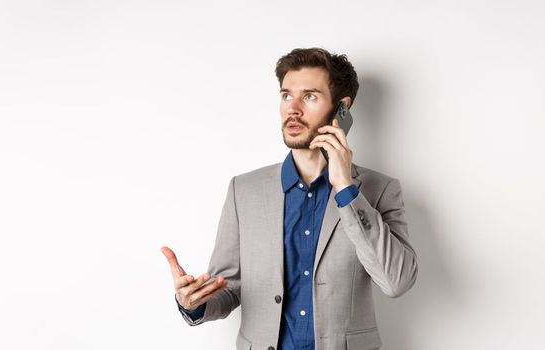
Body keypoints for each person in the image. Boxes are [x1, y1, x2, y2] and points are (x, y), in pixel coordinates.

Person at [161, 47, 418, 350]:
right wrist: (194, 303)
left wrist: (346, 188)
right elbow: (228, 289)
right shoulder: (243, 190)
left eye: (309, 96)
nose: (292, 108)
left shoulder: (379, 190)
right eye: (286, 95)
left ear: (342, 109)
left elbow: (396, 282)